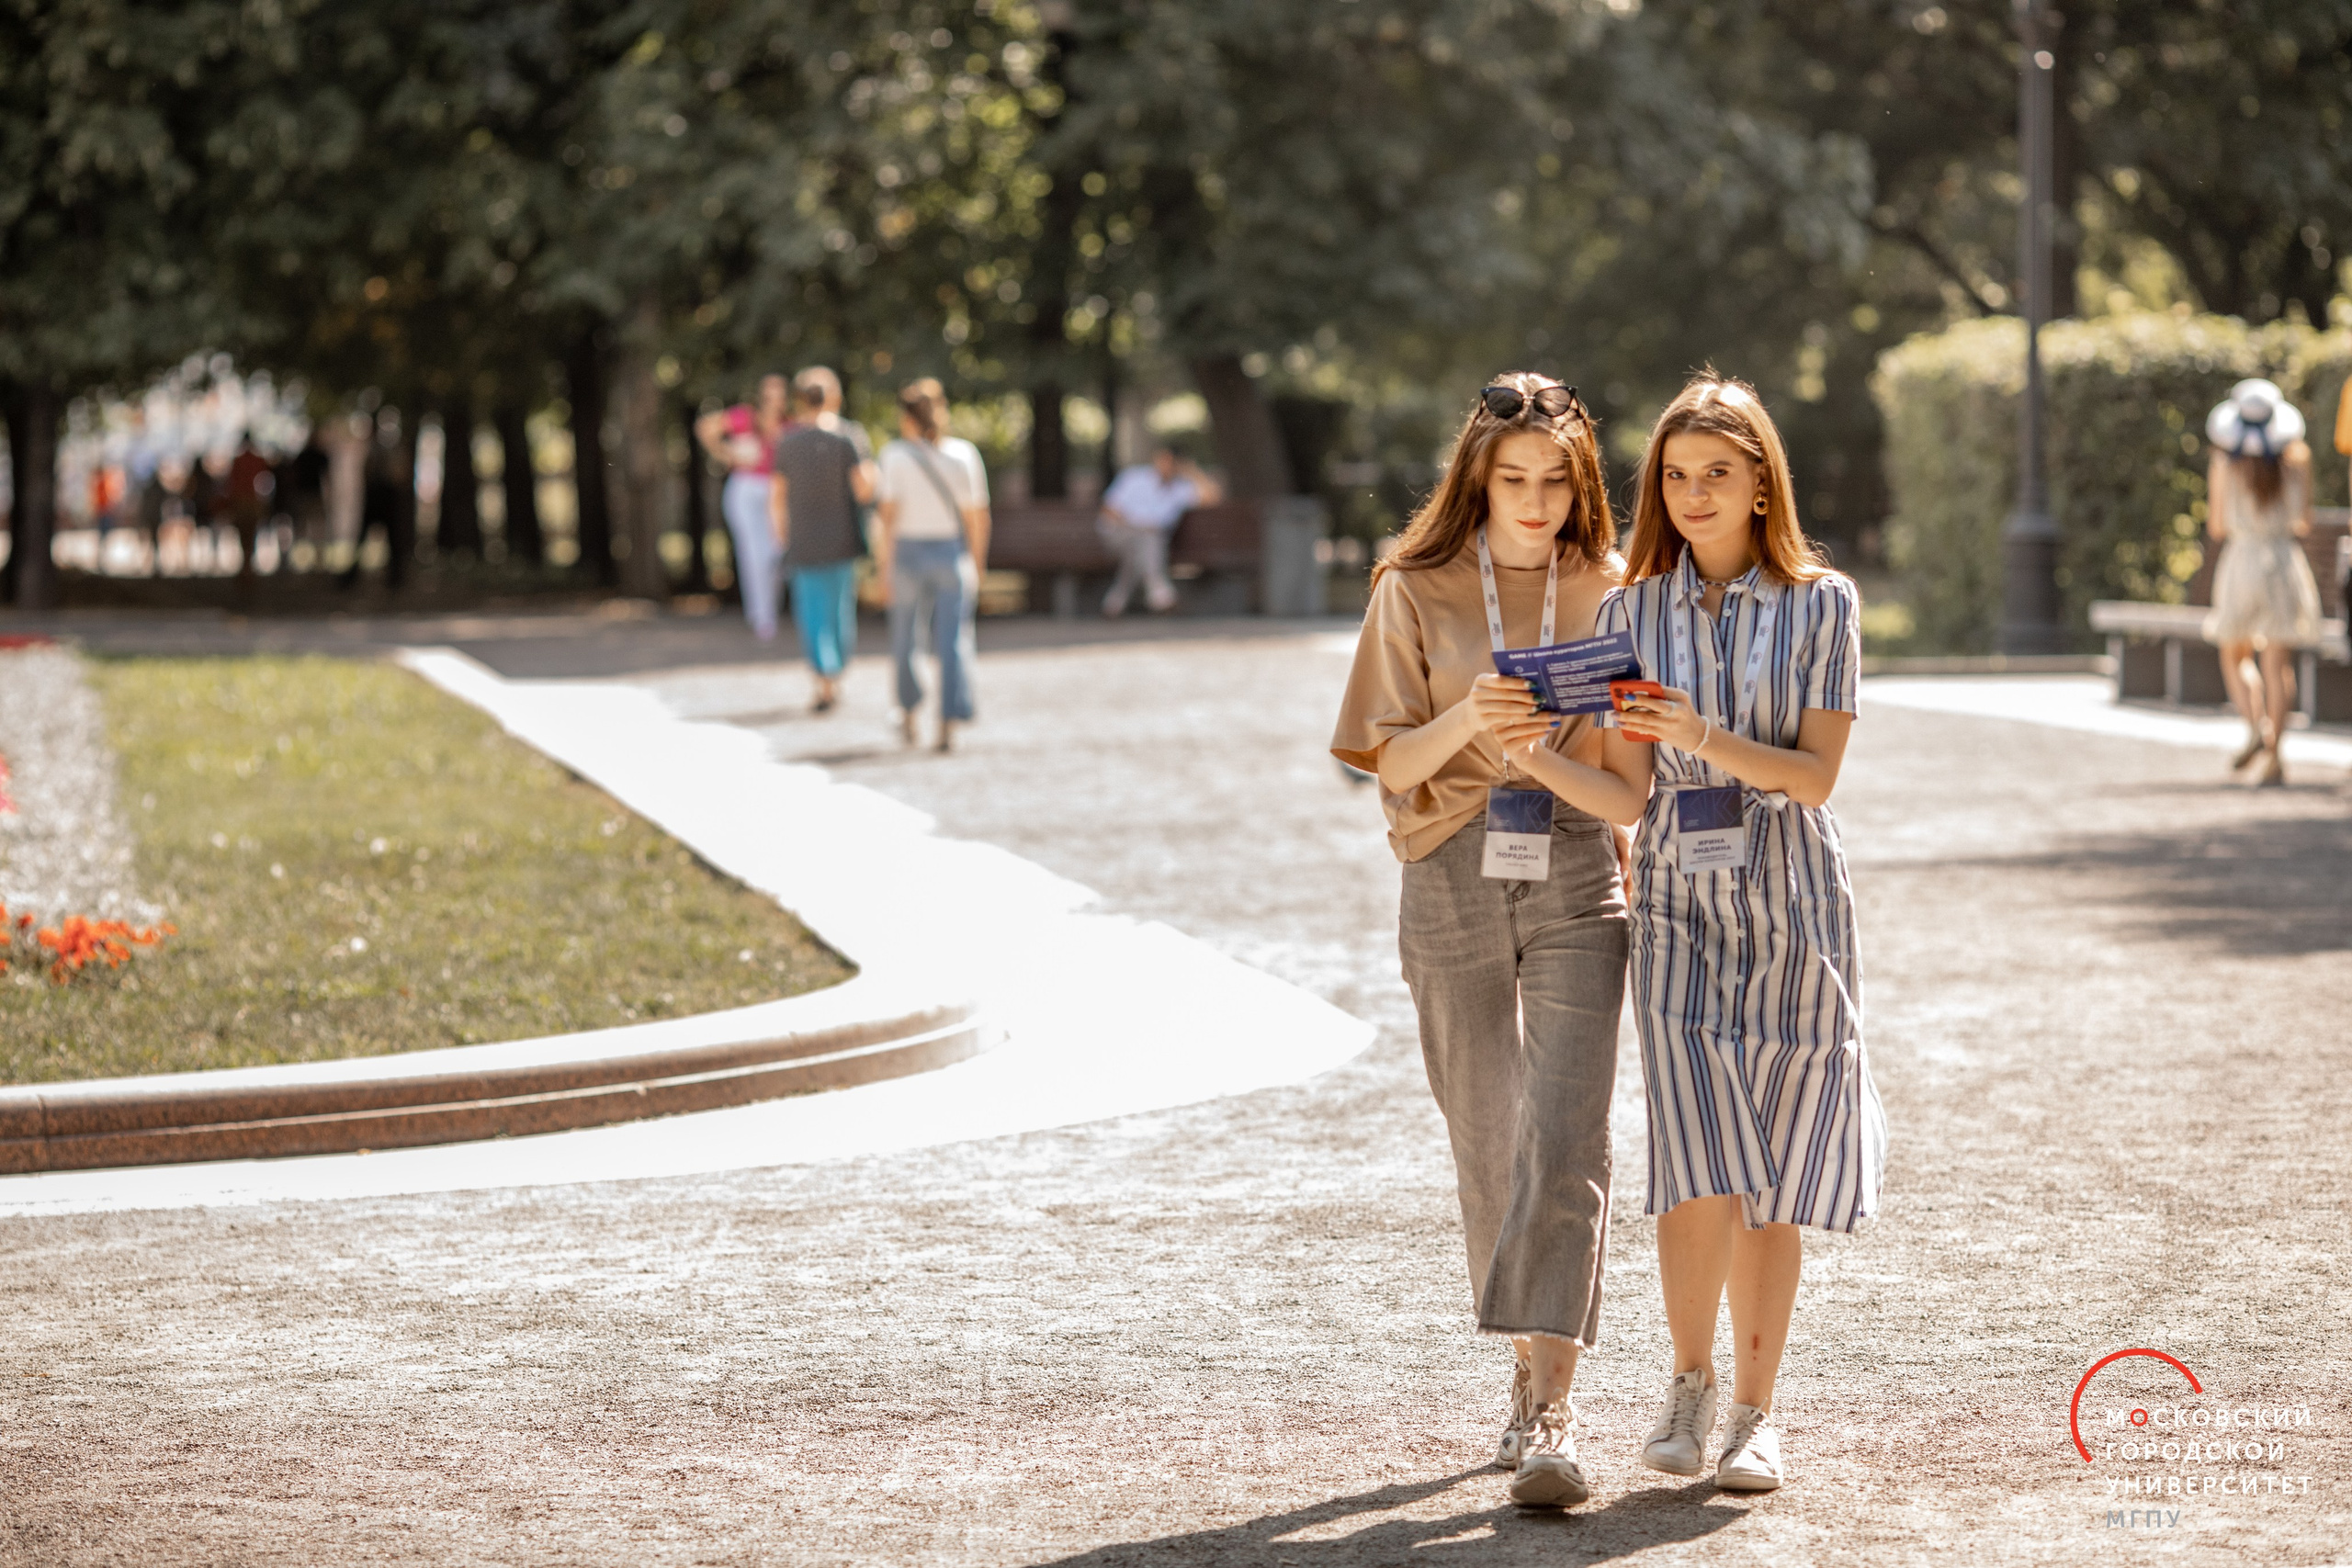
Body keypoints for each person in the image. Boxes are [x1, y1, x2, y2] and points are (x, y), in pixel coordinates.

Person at [1329, 372, 1628, 1510]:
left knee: (1568, 1133)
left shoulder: (1613, 589)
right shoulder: (1413, 588)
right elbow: (1388, 765)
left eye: (1556, 481)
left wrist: (1555, 751)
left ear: (1580, 484)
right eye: (1514, 481)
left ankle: (1552, 1410)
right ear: (1478, 480)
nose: (1537, 502)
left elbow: (1630, 771)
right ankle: (1522, 1362)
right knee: (1490, 1138)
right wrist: (1472, 713)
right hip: (1448, 866)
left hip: (1577, 863)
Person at [1585, 373, 1886, 1495]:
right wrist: (1526, 755)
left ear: (1762, 482)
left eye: (1717, 472)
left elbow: (1814, 777)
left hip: (1795, 900)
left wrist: (1702, 734)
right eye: (1675, 475)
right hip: (1674, 901)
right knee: (1693, 1153)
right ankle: (1688, 1382)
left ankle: (1756, 1414)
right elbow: (1627, 796)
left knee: (1775, 1167)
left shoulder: (1824, 603)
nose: (1694, 493)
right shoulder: (1626, 616)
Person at [2205, 378, 2323, 788]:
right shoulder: (2297, 459)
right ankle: (2275, 756)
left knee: (2234, 652)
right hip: (2283, 562)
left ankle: (2257, 727)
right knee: (2277, 663)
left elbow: (2217, 526)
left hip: (2243, 561)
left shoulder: (2225, 464)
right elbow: (2303, 521)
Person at [874, 378, 990, 751]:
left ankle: (909, 713)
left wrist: (883, 567)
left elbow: (887, 518)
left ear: (906, 417)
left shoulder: (895, 456)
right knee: (954, 640)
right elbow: (977, 517)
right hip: (950, 552)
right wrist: (977, 563)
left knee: (905, 637)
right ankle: (948, 722)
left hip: (908, 552)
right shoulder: (963, 455)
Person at [770, 367, 877, 713]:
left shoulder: (787, 443)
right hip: (842, 540)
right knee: (840, 611)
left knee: (812, 613)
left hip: (803, 541)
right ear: (834, 397)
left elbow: (776, 498)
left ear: (799, 400)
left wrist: (782, 536)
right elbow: (864, 489)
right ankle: (835, 674)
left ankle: (823, 678)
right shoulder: (850, 438)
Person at [695, 374, 793, 641]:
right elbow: (706, 427)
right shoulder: (744, 417)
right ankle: (762, 618)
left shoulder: (788, 426)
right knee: (754, 555)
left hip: (774, 492)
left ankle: (767, 611)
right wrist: (727, 454)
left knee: (776, 554)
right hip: (745, 488)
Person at [1097, 444, 1221, 615]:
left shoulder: (1180, 489)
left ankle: (1114, 603)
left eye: (1172, 462)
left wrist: (1193, 472)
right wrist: (1140, 525)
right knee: (1147, 538)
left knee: (1140, 549)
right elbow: (1110, 510)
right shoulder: (1134, 477)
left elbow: (1213, 497)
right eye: (1164, 460)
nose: (1166, 465)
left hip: (1147, 541)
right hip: (1118, 534)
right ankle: (1159, 592)